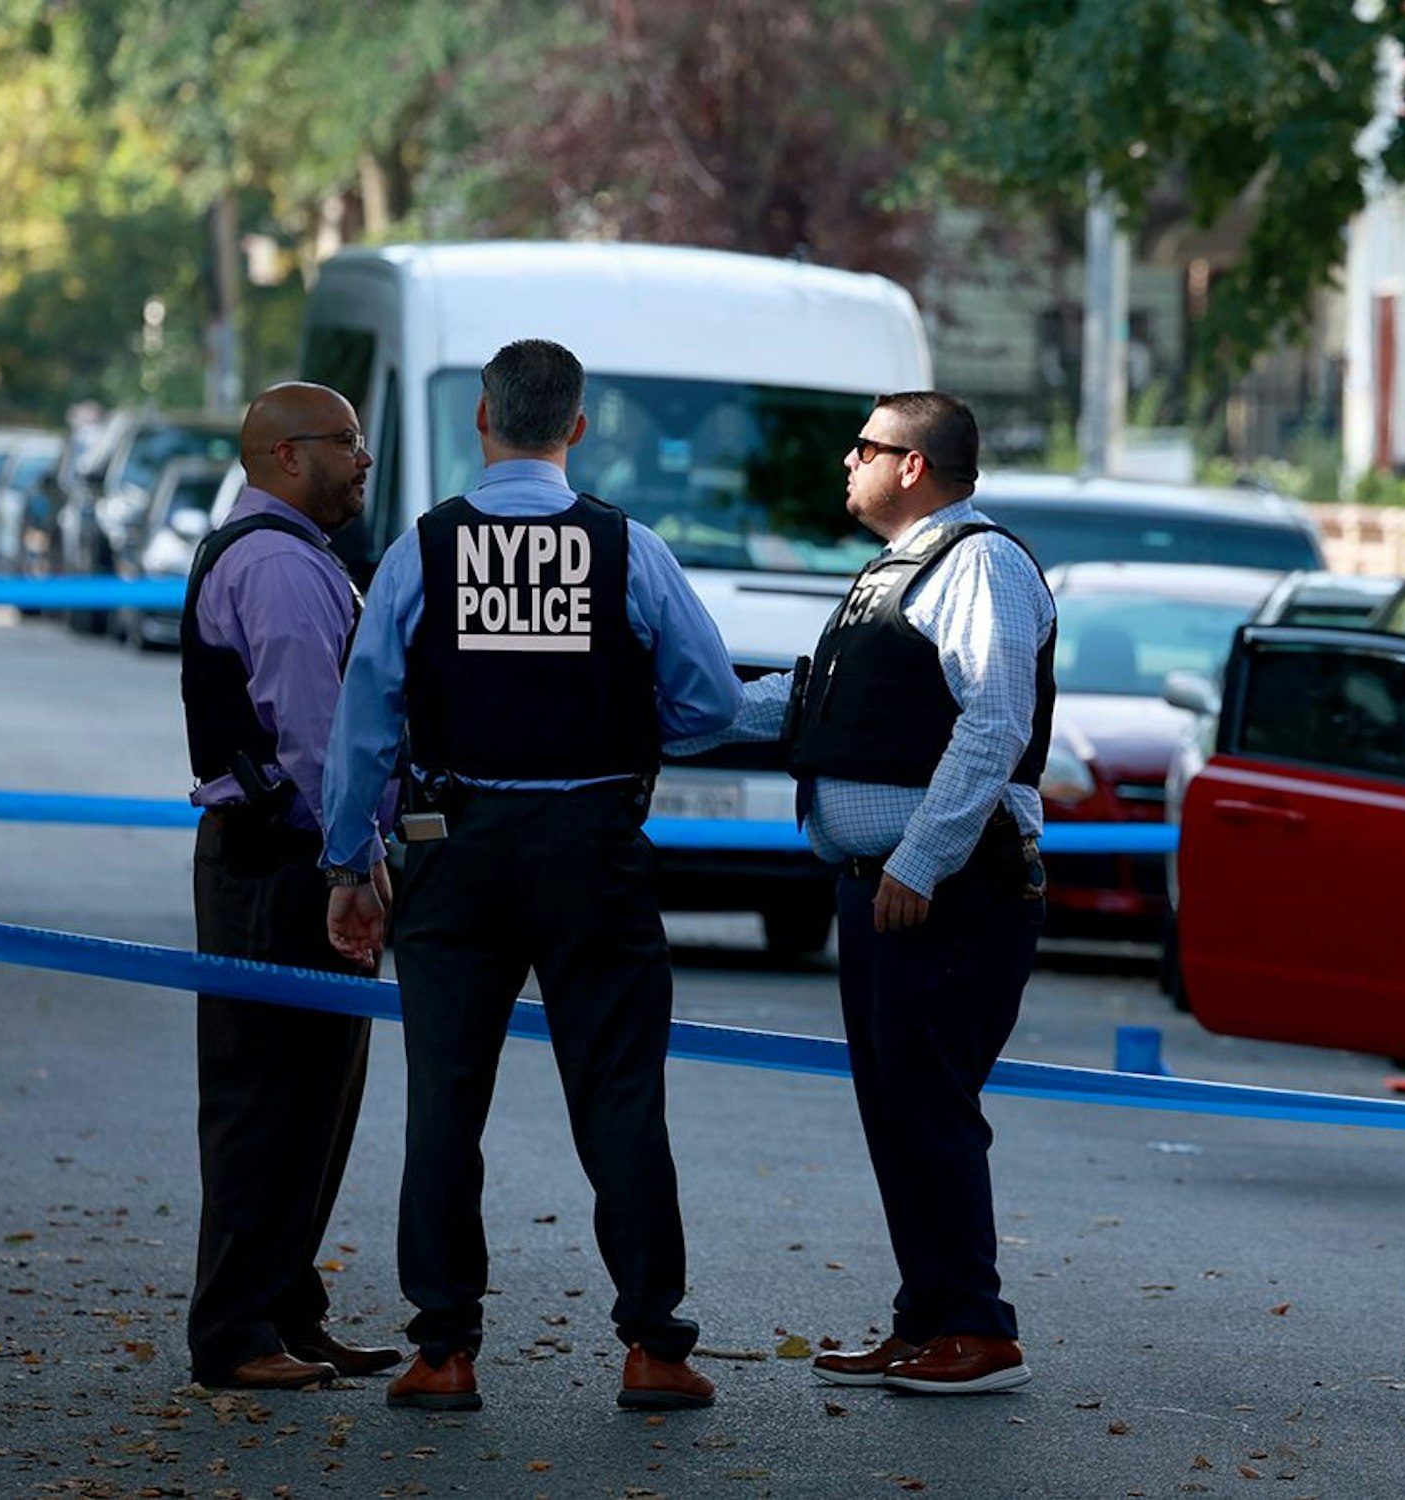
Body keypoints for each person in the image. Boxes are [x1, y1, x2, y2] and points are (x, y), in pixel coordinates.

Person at [320, 338, 739, 1413]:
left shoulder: (421, 552)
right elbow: (712, 705)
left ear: (482, 420)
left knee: (443, 1108)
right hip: (595, 847)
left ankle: (444, 1349)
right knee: (620, 1102)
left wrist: (348, 862)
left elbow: (366, 720)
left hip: (455, 846)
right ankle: (653, 1345)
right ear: (579, 428)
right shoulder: (628, 549)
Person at [671, 391, 1053, 1396]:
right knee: (898, 1108)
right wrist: (658, 712)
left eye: (866, 446)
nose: (848, 461)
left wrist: (918, 860)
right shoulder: (900, 571)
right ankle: (928, 1320)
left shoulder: (980, 565)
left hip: (947, 891)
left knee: (928, 1106)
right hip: (891, 889)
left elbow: (994, 723)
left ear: (914, 466)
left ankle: (976, 1327)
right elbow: (817, 705)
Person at [180, 382, 402, 1391]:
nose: (363, 459)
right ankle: (235, 1333)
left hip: (284, 857)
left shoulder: (289, 554)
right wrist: (351, 862)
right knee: (266, 1099)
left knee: (313, 1099)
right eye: (346, 443)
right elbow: (317, 740)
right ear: (284, 457)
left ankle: (283, 1310)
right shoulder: (275, 565)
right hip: (284, 862)